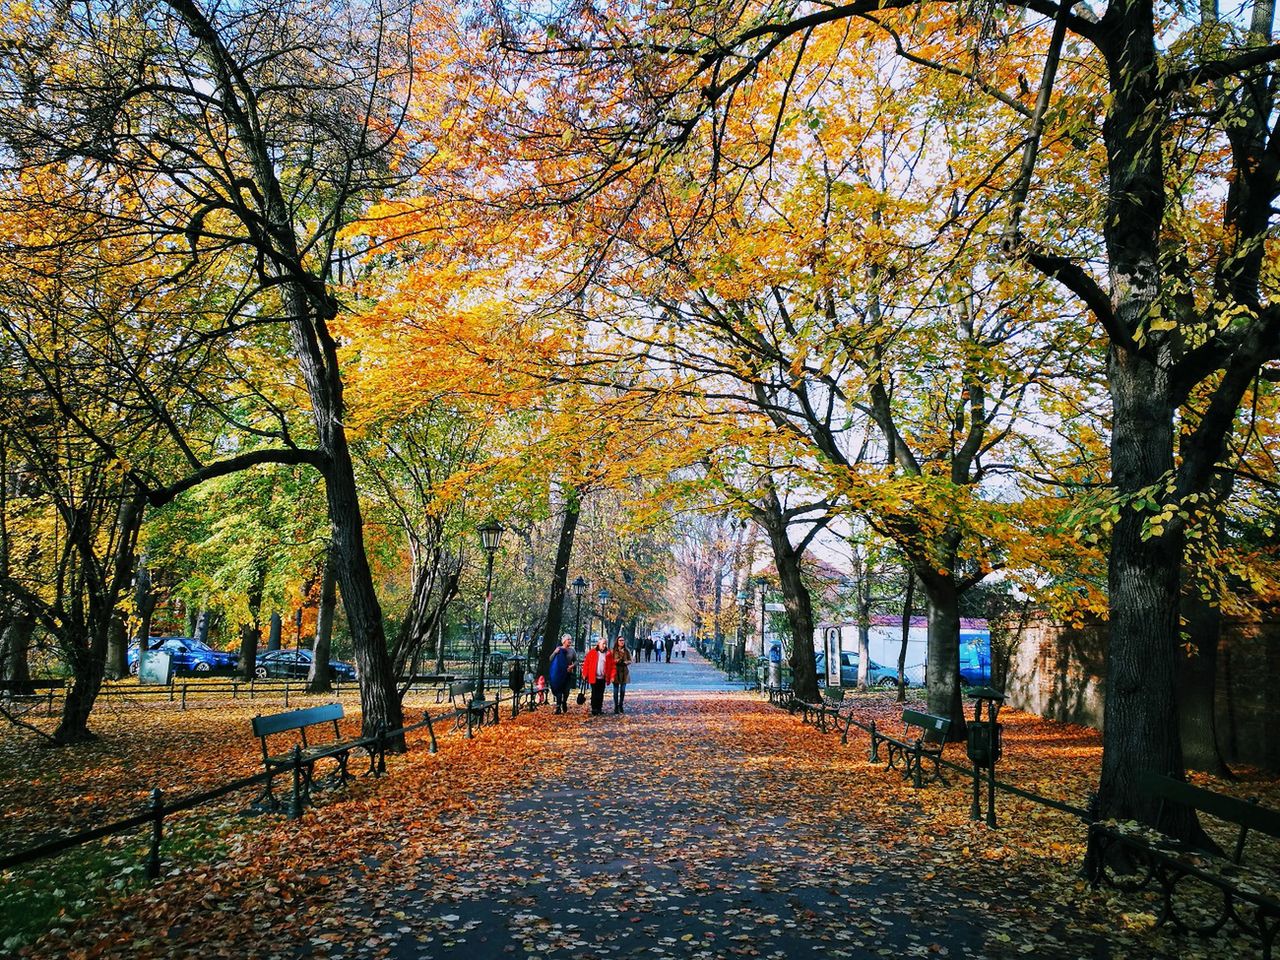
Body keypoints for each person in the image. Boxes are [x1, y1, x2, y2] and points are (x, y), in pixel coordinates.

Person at [581, 636, 616, 716]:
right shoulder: (592, 652)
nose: (604, 645)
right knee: (594, 693)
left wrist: (612, 676)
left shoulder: (608, 653)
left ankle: (599, 708)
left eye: (605, 644)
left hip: (603, 677)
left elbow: (613, 666)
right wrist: (584, 674)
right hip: (593, 676)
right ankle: (594, 708)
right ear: (598, 644)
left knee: (600, 693)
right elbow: (586, 664)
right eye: (603, 643)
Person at [548, 634, 573, 714]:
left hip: (568, 673)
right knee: (559, 690)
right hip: (558, 674)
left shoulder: (572, 650)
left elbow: (576, 661)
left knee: (566, 691)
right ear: (564, 641)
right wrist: (555, 652)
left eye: (570, 639)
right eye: (568, 639)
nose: (570, 641)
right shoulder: (558, 649)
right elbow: (550, 658)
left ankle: (564, 702)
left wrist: (572, 666)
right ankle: (558, 707)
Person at [611, 635, 632, 714]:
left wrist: (626, 662)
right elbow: (611, 660)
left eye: (623, 640)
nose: (622, 642)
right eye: (620, 640)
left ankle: (621, 705)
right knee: (615, 690)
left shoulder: (626, 650)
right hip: (616, 671)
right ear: (617, 641)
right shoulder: (613, 650)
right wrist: (617, 660)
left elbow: (630, 660)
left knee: (623, 690)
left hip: (624, 671)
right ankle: (616, 706)